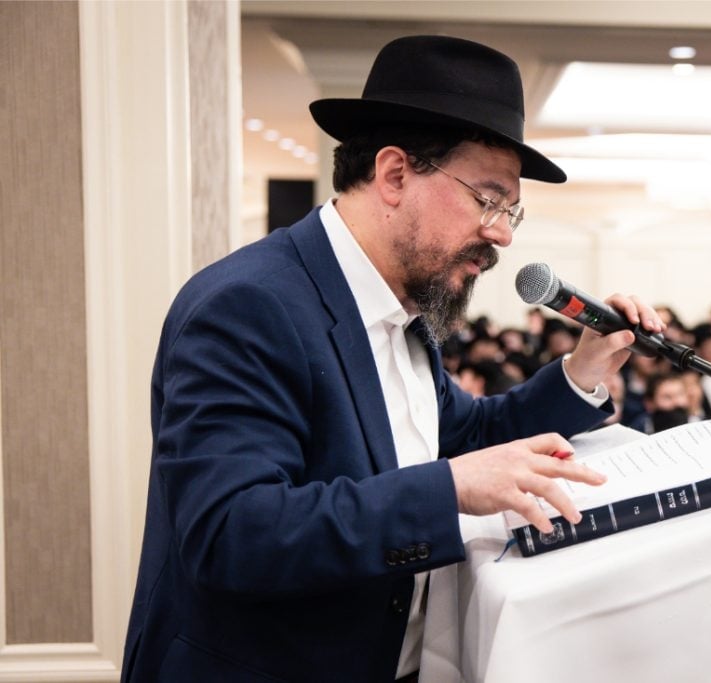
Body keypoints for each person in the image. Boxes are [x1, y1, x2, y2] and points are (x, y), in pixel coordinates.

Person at [121, 35, 664, 683]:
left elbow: (467, 436)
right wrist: (450, 489)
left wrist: (584, 370)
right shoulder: (248, 305)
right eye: (488, 199)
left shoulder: (401, 308)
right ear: (395, 175)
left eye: (511, 210)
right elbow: (233, 533)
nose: (501, 234)